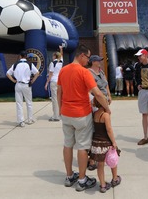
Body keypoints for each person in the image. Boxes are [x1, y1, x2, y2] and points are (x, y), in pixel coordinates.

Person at [57, 44, 110, 192]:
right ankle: (81, 180)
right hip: (81, 114)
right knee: (82, 146)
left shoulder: (63, 70)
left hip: (66, 113)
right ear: (81, 56)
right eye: (87, 57)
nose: (88, 60)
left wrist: (60, 110)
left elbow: (59, 92)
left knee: (67, 144)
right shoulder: (84, 72)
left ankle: (69, 176)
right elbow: (98, 93)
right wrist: (106, 107)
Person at [89, 97, 121, 193]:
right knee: (112, 160)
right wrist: (114, 142)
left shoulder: (95, 114)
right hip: (106, 143)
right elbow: (109, 130)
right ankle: (115, 178)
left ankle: (102, 185)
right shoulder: (105, 115)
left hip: (96, 144)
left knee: (100, 165)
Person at [6, 51, 40, 127]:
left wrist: (13, 80)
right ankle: (30, 119)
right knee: (29, 102)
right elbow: (37, 73)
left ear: (20, 56)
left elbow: (8, 73)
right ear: (26, 56)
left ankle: (21, 121)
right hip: (27, 84)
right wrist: (32, 81)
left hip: (18, 84)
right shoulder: (29, 64)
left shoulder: (15, 64)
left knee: (19, 103)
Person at [45, 46, 63, 122]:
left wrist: (46, 83)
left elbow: (50, 74)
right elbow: (61, 55)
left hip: (54, 81)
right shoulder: (61, 62)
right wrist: (61, 49)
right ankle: (60, 114)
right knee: (60, 98)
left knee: (54, 99)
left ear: (55, 56)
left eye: (53, 55)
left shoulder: (52, 63)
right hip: (60, 82)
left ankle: (56, 116)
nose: (52, 57)